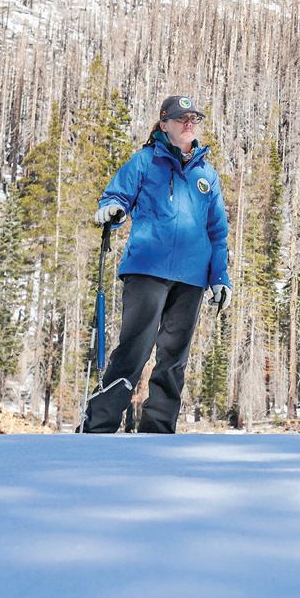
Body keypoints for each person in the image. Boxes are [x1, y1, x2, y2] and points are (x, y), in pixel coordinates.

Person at [82, 95, 232, 434]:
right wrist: (113, 210)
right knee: (134, 350)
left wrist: (220, 277)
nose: (189, 124)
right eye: (181, 118)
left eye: (193, 119)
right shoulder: (145, 161)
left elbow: (217, 231)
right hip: (147, 269)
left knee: (174, 357)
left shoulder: (206, 175)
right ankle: (99, 426)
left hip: (191, 278)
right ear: (164, 124)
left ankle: (159, 430)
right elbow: (117, 195)